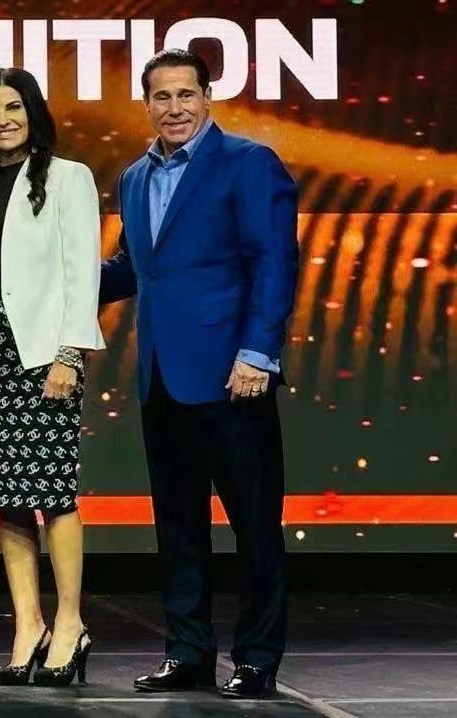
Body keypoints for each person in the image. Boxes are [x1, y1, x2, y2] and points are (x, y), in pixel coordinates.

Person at [100, 47, 298, 700]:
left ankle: (257, 657)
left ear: (207, 97)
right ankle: (186, 652)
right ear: (146, 104)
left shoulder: (247, 163)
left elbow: (273, 262)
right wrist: (45, 281)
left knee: (254, 525)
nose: (174, 107)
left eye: (185, 94)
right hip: (162, 376)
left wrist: (257, 352)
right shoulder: (134, 178)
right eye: (161, 96)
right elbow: (133, 269)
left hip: (232, 375)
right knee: (178, 526)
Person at [0, 67, 105, 688]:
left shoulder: (69, 177)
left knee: (54, 493)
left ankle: (69, 623)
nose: (2, 120)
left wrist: (70, 354)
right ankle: (28, 626)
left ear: (34, 113)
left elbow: (83, 272)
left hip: (44, 354)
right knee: (9, 498)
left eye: (13, 107)